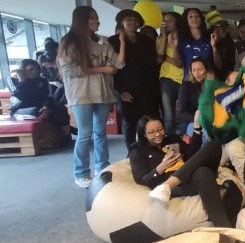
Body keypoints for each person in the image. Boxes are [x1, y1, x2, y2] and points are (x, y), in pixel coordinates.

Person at [129, 114, 242, 228]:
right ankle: (224, 228)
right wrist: (161, 168)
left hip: (187, 173)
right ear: (144, 134)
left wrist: (196, 128)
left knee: (214, 145)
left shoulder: (172, 138)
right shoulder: (138, 149)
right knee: (204, 173)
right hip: (174, 185)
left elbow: (192, 154)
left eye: (160, 129)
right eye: (151, 132)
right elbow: (141, 178)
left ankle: (167, 186)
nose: (158, 134)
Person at [57, 6, 125, 188]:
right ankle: (81, 173)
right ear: (82, 21)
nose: (98, 21)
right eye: (93, 18)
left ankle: (102, 167)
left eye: (97, 17)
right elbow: (70, 70)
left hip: (102, 93)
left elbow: (118, 63)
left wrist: (122, 41)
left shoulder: (102, 42)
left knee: (100, 132)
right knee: (85, 134)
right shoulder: (70, 41)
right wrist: (102, 69)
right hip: (81, 94)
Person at [108, 9, 160, 148]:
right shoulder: (113, 41)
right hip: (126, 88)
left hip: (147, 87)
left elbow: (153, 65)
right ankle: (131, 150)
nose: (132, 22)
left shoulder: (146, 40)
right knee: (129, 122)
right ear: (122, 21)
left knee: (150, 120)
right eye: (129, 19)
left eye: (135, 20)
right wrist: (120, 89)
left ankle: (151, 148)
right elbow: (113, 68)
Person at [8, 60, 70, 140]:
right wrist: (22, 80)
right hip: (20, 110)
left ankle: (66, 136)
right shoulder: (12, 80)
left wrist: (46, 107)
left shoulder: (42, 81)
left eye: (37, 69)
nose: (34, 72)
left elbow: (45, 97)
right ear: (22, 69)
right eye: (31, 69)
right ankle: (71, 130)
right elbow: (22, 97)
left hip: (39, 107)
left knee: (60, 108)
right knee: (36, 111)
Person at [157, 12, 184, 137]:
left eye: (170, 20)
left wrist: (168, 57)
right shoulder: (161, 38)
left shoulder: (184, 38)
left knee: (183, 112)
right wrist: (163, 36)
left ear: (177, 22)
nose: (167, 23)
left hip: (183, 78)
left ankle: (185, 140)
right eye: (165, 20)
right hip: (166, 78)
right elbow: (159, 56)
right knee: (169, 115)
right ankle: (171, 142)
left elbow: (181, 63)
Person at [177, 58, 213, 143]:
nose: (197, 73)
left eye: (200, 69)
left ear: (207, 70)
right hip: (191, 122)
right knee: (206, 134)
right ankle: (206, 156)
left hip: (212, 121)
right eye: (194, 70)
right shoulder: (187, 86)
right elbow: (181, 112)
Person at [177, 8, 214, 82]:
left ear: (201, 19)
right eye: (190, 16)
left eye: (197, 16)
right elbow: (179, 64)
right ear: (187, 21)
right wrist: (173, 46)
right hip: (190, 80)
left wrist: (215, 47)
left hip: (208, 81)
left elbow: (218, 64)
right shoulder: (182, 40)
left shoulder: (210, 38)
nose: (194, 18)